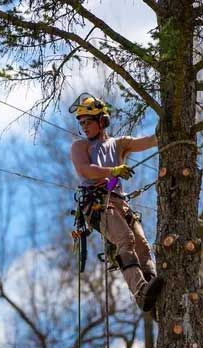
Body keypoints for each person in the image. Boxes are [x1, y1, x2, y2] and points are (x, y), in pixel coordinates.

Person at [69, 93, 163, 313]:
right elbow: (85, 170)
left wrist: (164, 128)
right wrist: (113, 171)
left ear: (102, 121)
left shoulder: (119, 144)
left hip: (120, 201)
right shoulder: (80, 147)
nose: (84, 127)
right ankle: (140, 291)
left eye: (88, 121)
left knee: (142, 244)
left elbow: (149, 141)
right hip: (97, 201)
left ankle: (153, 289)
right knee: (125, 238)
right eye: (81, 123)